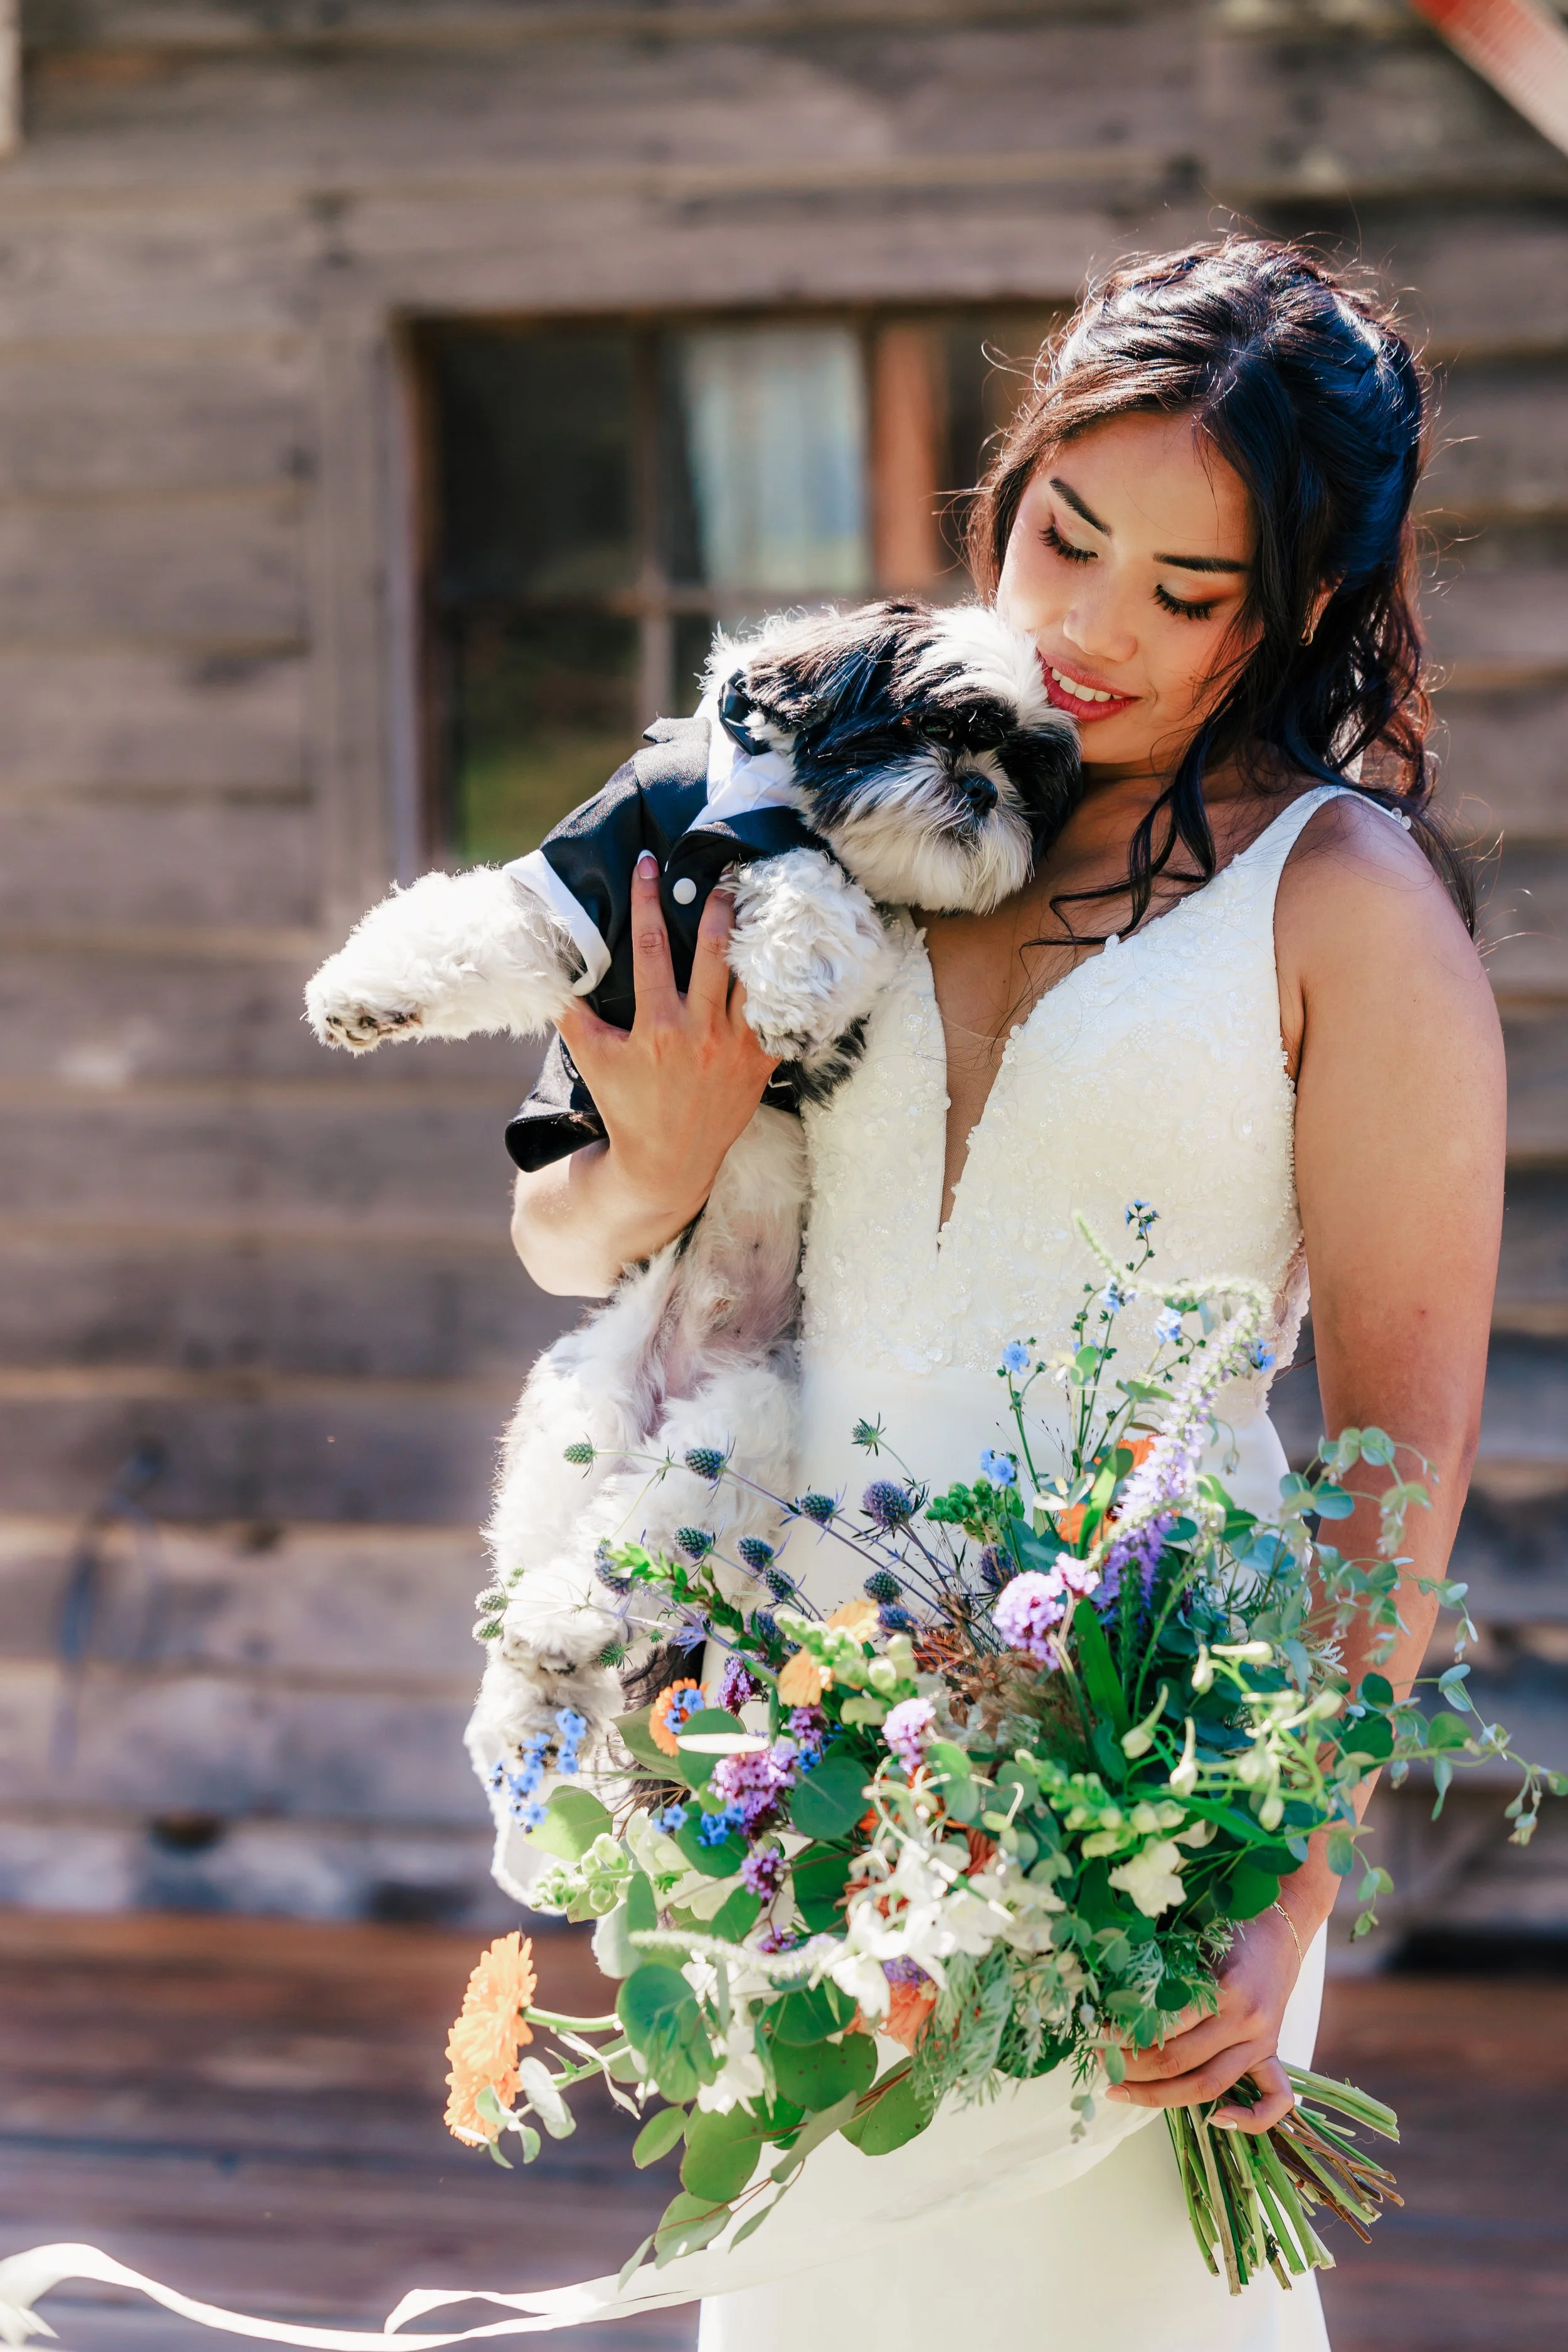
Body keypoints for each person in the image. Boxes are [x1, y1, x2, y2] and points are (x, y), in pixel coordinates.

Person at [511, 241, 1505, 2350]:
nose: (1088, 631)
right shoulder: (845, 810)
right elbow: (565, 1241)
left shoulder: (1343, 908)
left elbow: (1394, 1444)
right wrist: (660, 1164)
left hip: (1139, 1816)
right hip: (806, 1786)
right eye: (1067, 532)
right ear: (1015, 473)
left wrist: (1280, 1886)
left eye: (1187, 589)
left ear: (1303, 604)